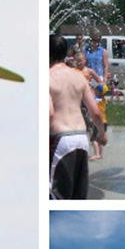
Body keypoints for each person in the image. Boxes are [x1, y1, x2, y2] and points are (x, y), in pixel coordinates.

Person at [49, 34, 106, 199]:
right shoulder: (78, 76)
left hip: (60, 139)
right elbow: (95, 111)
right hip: (82, 139)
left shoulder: (47, 77)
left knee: (56, 195)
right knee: (78, 196)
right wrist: (101, 133)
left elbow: (50, 113)